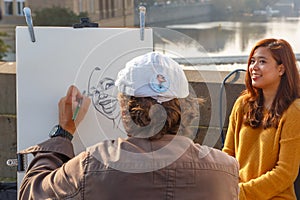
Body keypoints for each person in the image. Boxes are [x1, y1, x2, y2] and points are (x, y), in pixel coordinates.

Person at [19, 52, 239, 199]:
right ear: (187, 108)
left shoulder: (92, 164)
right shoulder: (225, 169)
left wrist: (63, 132)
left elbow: (31, 193)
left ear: (125, 110)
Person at [222, 38, 300, 199]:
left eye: (262, 61)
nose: (253, 67)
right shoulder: (242, 104)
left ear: (281, 69)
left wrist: (239, 193)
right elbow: (227, 156)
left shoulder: (294, 111)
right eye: (252, 61)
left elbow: (285, 173)